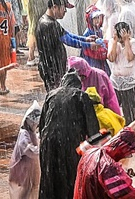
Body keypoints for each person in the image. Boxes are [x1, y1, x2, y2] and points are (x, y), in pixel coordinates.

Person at [38, 70, 98, 199]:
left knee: (49, 180)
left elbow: (42, 125)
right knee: (70, 180)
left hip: (48, 143)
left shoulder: (51, 95)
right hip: (70, 144)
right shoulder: (81, 96)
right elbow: (93, 130)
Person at [35, 0, 101, 92]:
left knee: (57, 93)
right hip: (52, 69)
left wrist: (85, 39)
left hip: (50, 67)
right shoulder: (50, 24)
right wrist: (89, 45)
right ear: (55, 7)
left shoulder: (47, 20)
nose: (65, 11)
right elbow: (69, 41)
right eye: (64, 7)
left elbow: (68, 35)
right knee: (57, 94)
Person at [73, 127, 135, 199]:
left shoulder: (89, 153)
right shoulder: (108, 166)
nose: (127, 156)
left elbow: (98, 179)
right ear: (121, 147)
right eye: (127, 152)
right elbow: (126, 195)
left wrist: (123, 175)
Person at [108, 21, 135, 123]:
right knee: (113, 113)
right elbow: (111, 58)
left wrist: (126, 41)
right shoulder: (113, 42)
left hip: (129, 84)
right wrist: (114, 42)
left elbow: (130, 57)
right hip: (115, 83)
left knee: (129, 114)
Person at [8, 103, 41, 199]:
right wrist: (41, 150)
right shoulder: (24, 134)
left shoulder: (32, 133)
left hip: (30, 168)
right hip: (24, 169)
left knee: (31, 188)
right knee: (25, 189)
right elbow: (29, 150)